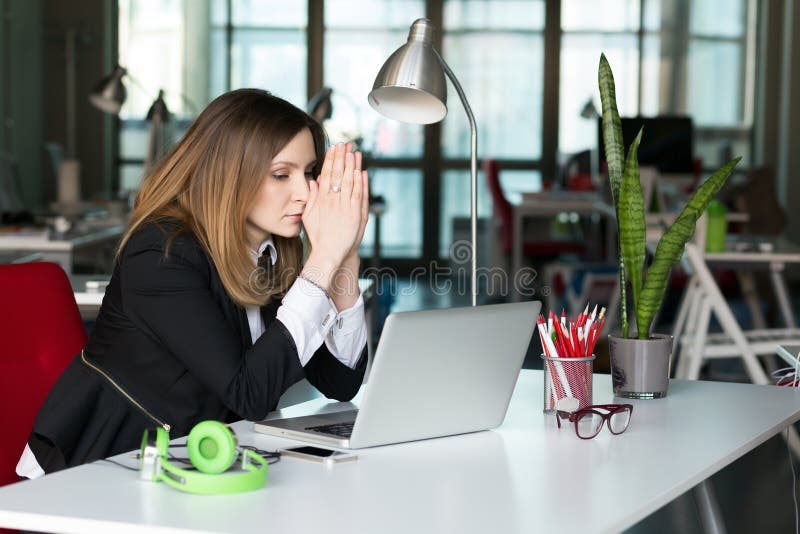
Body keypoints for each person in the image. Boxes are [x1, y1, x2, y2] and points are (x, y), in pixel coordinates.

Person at [16, 89, 371, 477]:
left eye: (309, 173)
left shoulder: (271, 255)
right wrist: (321, 260)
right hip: (109, 465)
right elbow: (248, 393)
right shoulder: (161, 253)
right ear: (229, 173)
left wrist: (345, 255)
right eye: (281, 175)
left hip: (207, 463)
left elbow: (341, 381)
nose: (304, 193)